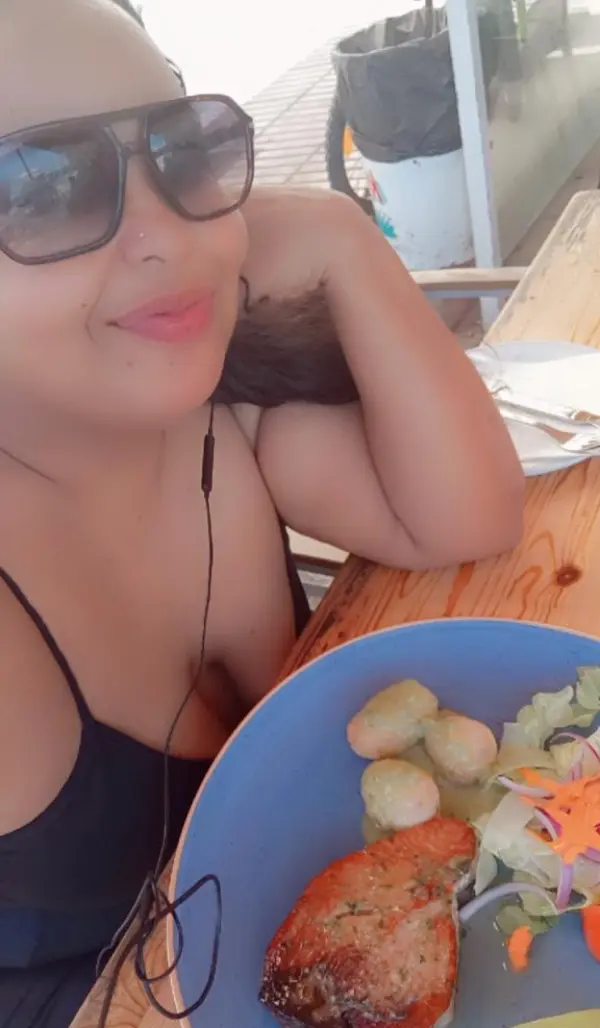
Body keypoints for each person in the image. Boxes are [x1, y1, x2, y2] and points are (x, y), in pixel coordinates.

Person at [0, 0, 524, 1024]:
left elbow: (469, 519)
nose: (169, 232)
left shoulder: (221, 414)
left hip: (334, 925)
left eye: (181, 148)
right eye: (40, 185)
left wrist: (341, 236)